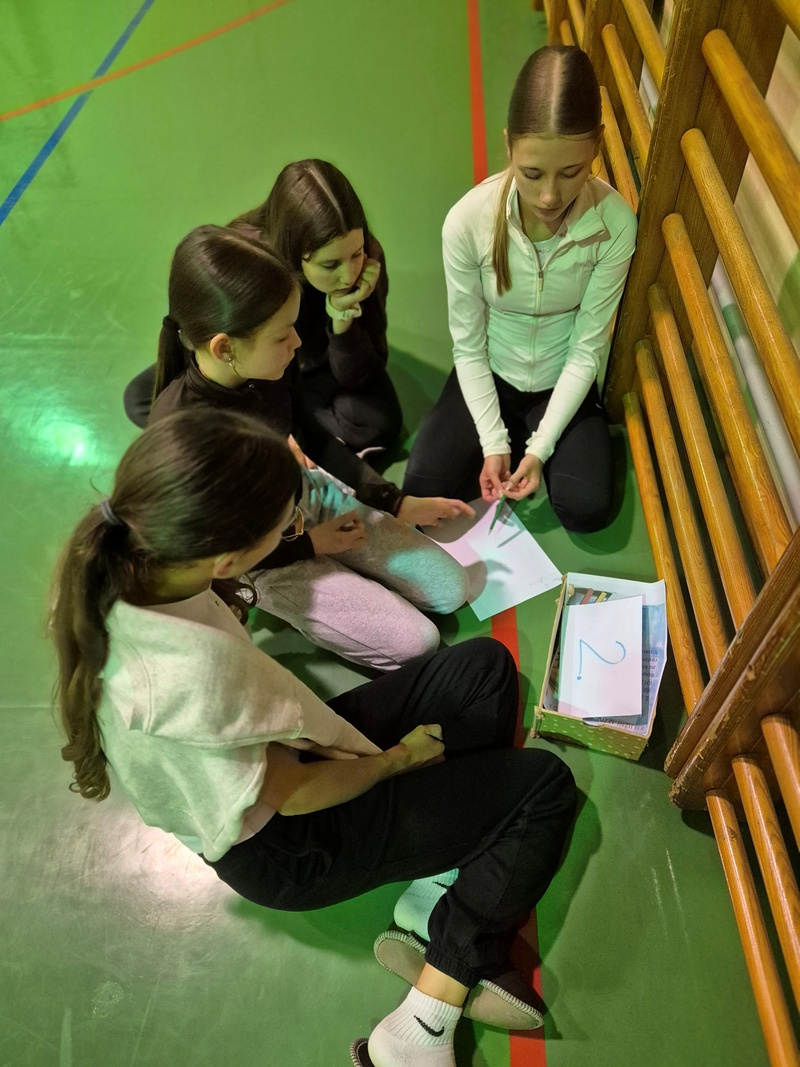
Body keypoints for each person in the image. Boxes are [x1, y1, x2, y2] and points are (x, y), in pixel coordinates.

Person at [51, 408, 577, 1067]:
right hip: (287, 844)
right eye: (287, 525)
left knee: (483, 670)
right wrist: (396, 761)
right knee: (544, 788)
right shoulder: (192, 675)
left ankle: (437, 885)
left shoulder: (135, 558)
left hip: (281, 759)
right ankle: (424, 1020)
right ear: (230, 557)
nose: (297, 526)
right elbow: (295, 793)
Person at [148, 225, 472, 670]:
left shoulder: (268, 368)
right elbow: (221, 557)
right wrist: (310, 545)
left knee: (451, 588)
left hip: (307, 497)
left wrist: (391, 499)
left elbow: (312, 434)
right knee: (419, 642)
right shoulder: (187, 439)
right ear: (225, 348)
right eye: (282, 335)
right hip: (266, 557)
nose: (297, 343)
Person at [403, 45, 638, 534]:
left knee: (586, 508)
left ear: (596, 145)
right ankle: (499, 432)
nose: (549, 195)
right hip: (490, 370)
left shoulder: (615, 225)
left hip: (562, 379)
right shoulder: (467, 221)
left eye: (571, 172)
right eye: (532, 173)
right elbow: (468, 346)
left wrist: (540, 448)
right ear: (508, 146)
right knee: (423, 486)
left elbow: (587, 348)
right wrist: (494, 441)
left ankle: (534, 436)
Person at [123, 158, 401, 456]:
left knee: (379, 421)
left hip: (309, 368)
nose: (349, 275)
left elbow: (359, 374)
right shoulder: (250, 257)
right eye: (330, 264)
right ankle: (293, 428)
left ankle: (289, 425)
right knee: (142, 398)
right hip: (259, 364)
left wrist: (342, 319)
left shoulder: (368, 263)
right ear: (293, 253)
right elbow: (221, 342)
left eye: (356, 253)